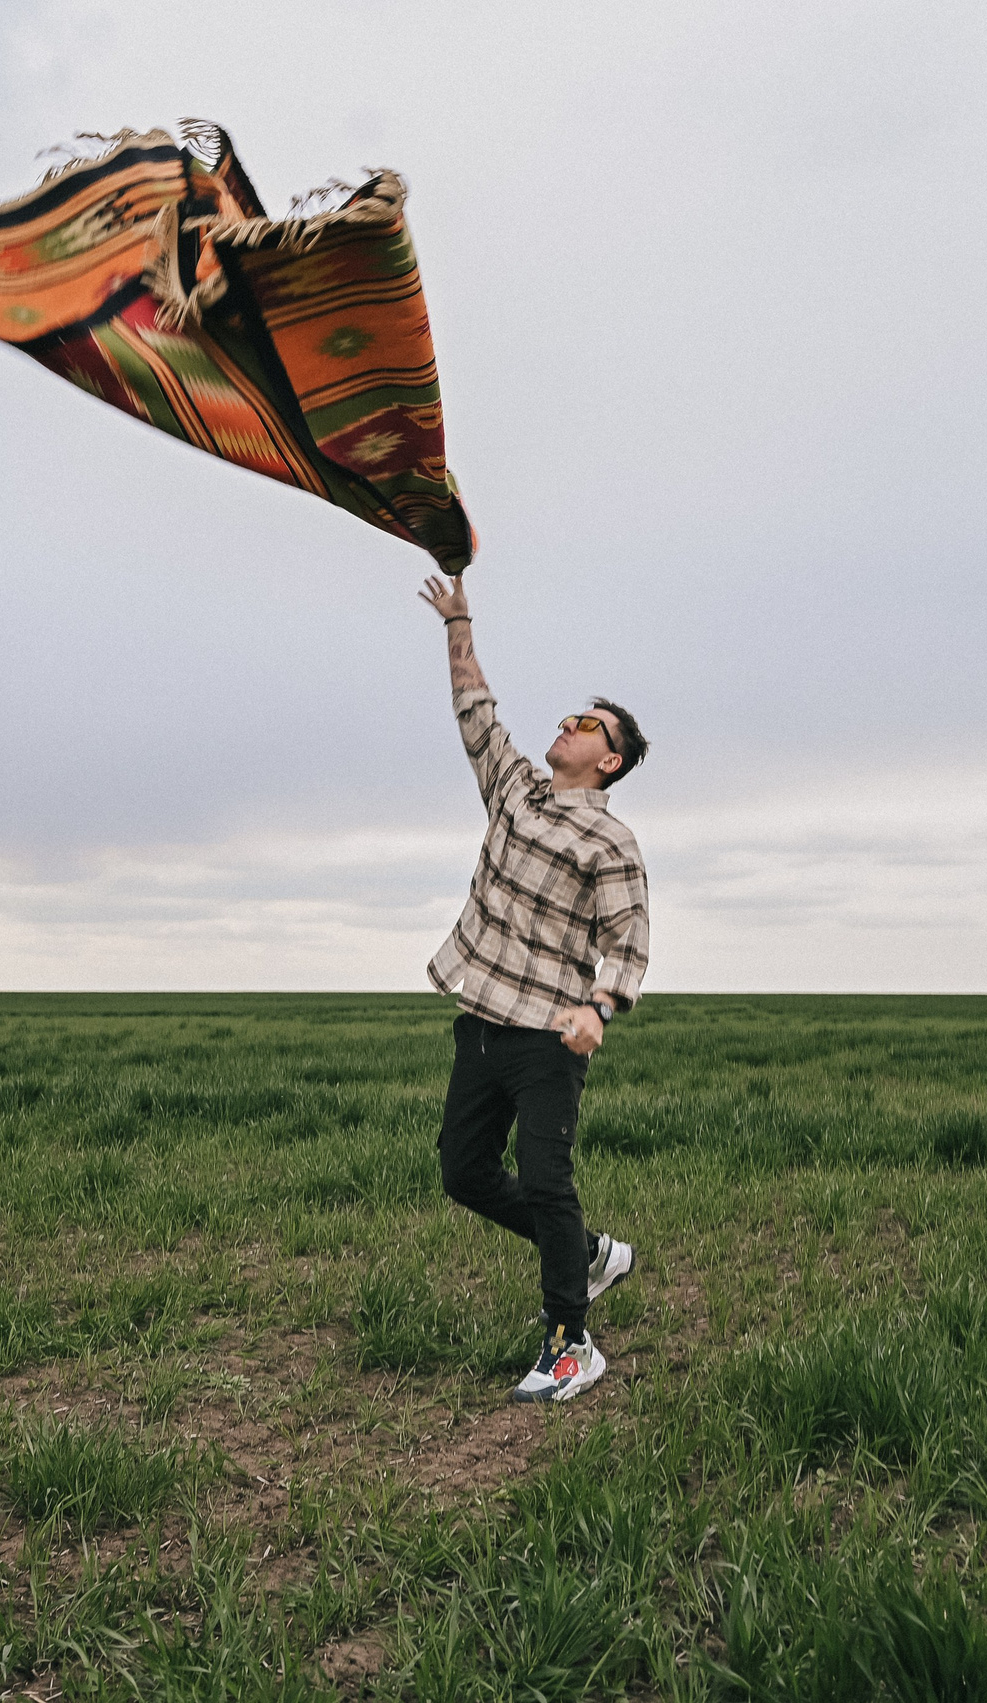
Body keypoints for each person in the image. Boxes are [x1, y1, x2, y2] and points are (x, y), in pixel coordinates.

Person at [417, 571, 650, 1404]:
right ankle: (584, 1252)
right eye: (569, 715)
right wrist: (459, 621)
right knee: (463, 1172)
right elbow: (476, 711)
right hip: (481, 1019)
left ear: (609, 758)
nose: (569, 723)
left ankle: (570, 1342)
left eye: (588, 723)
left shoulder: (611, 840)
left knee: (546, 1176)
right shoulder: (516, 791)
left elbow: (631, 938)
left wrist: (598, 1006)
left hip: (550, 1035)